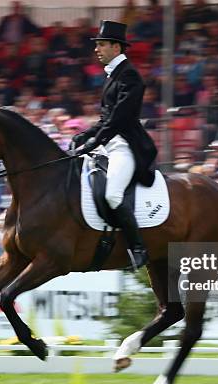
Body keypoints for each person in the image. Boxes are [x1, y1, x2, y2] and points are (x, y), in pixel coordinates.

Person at [71, 20, 157, 271]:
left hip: (125, 146)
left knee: (113, 194)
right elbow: (106, 119)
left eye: (101, 44)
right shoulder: (113, 75)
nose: (96, 49)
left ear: (116, 47)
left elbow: (120, 119)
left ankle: (138, 248)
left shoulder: (130, 76)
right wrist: (84, 135)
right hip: (109, 143)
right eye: (96, 44)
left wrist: (94, 141)